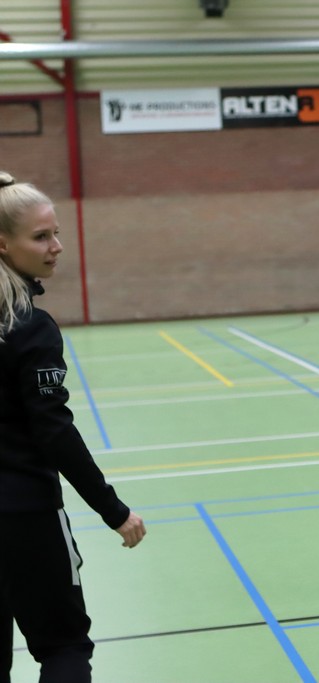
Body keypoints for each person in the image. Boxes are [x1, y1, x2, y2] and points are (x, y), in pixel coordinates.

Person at [0, 172, 146, 683]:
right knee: (63, 647)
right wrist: (114, 510)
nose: (56, 247)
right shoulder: (29, 328)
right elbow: (54, 432)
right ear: (3, 245)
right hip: (25, 515)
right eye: (41, 237)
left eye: (56, 234)